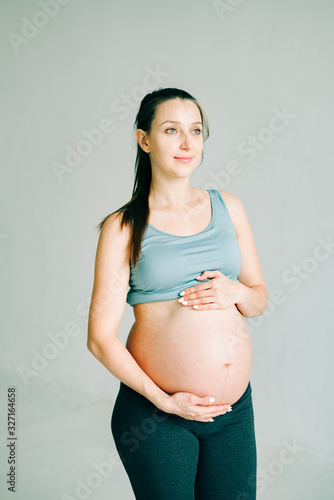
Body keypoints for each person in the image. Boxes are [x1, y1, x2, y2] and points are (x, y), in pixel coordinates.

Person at [87, 87, 268, 500]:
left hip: (233, 413)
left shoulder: (230, 207)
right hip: (158, 415)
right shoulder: (124, 227)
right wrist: (164, 401)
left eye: (196, 130)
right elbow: (99, 338)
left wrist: (236, 289)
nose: (188, 143)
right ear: (145, 140)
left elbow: (258, 300)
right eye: (172, 130)